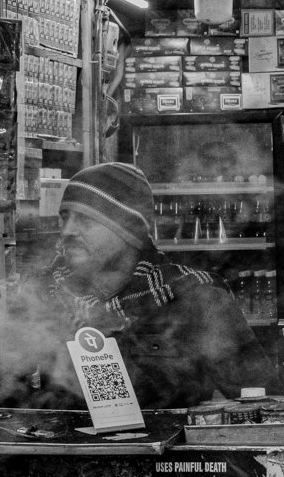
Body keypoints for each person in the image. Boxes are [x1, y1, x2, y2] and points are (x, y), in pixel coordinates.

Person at [41, 161, 270, 407]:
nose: (67, 231)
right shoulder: (42, 297)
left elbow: (260, 403)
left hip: (162, 433)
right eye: (64, 218)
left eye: (85, 220)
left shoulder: (196, 298)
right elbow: (12, 401)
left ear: (127, 229)